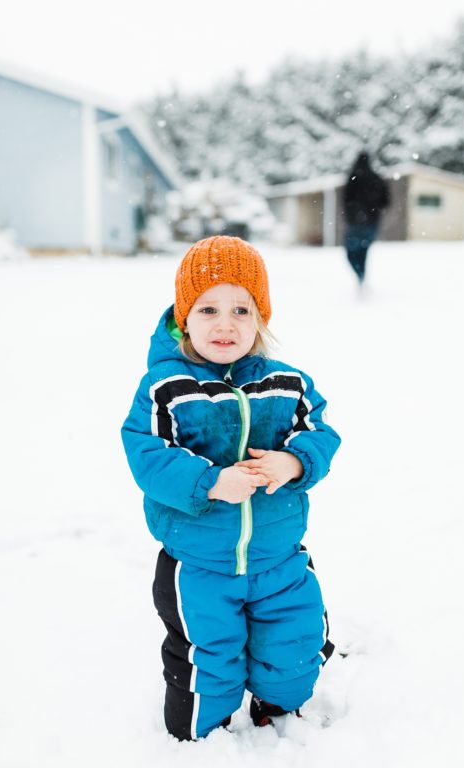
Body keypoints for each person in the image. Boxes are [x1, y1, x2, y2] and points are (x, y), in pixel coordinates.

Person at [120, 236, 340, 741]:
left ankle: (278, 701)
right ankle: (204, 738)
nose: (226, 324)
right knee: (208, 663)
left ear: (261, 318)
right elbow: (146, 453)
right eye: (209, 309)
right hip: (199, 566)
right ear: (184, 317)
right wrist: (212, 481)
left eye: (242, 309)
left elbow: (321, 433)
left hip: (279, 557)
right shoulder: (165, 388)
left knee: (294, 648)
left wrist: (293, 461)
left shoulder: (288, 383)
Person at [341, 151, 389, 285]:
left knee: (351, 254)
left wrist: (353, 214)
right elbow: (385, 202)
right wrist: (373, 209)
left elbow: (345, 200)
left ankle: (360, 276)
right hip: (371, 224)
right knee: (363, 252)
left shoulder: (353, 178)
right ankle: (361, 278)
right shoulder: (377, 179)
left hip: (355, 224)